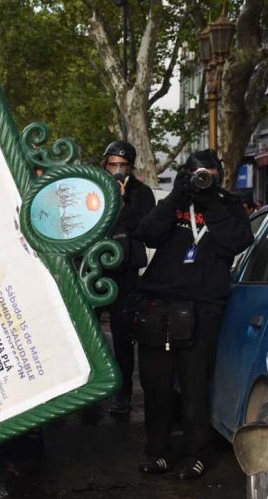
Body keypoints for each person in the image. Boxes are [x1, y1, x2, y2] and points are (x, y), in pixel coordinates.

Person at [135, 149, 253, 480]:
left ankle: (196, 454)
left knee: (194, 387)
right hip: (159, 305)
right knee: (156, 386)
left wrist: (212, 201)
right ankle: (157, 452)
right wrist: (176, 196)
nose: (201, 177)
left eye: (208, 173)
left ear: (218, 174)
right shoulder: (175, 202)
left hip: (203, 307)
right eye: (196, 173)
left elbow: (236, 242)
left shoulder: (228, 206)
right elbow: (148, 234)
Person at [100, 141, 155, 415]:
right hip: (96, 268)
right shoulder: (95, 187)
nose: (117, 170)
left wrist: (122, 204)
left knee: (122, 334)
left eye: (122, 166)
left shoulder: (142, 194)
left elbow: (145, 228)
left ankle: (122, 393)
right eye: (112, 165)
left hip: (126, 270)